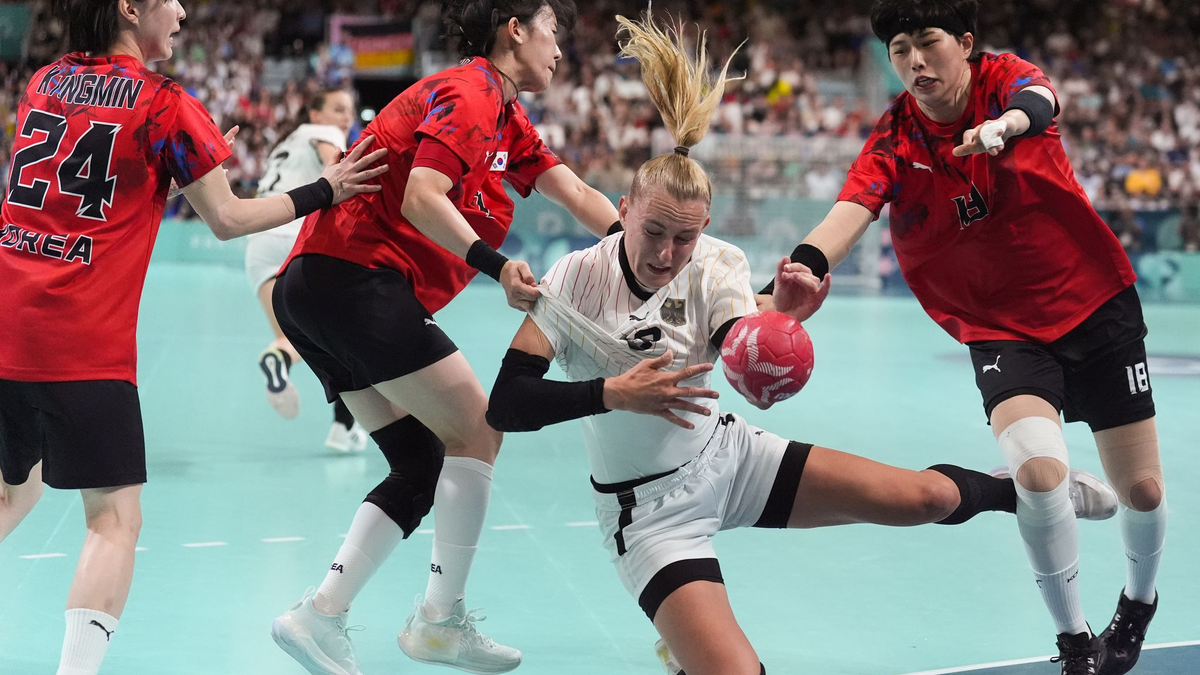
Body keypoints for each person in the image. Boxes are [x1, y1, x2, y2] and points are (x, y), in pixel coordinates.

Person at [483, 11, 1117, 675]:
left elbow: (735, 339)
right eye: (656, 232)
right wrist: (613, 393)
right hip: (648, 512)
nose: (669, 253)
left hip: (729, 457)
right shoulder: (574, 280)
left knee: (923, 500)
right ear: (625, 209)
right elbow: (508, 402)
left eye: (687, 237)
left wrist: (777, 319)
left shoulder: (716, 262)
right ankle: (685, 633)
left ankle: (1033, 490)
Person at [758, 1, 1166, 673]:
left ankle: (1139, 602)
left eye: (927, 44)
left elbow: (1040, 98)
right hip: (1000, 325)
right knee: (1038, 474)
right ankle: (1075, 642)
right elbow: (850, 209)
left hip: (1094, 304)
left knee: (1143, 490)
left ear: (966, 44)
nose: (914, 62)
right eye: (899, 52)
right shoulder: (894, 139)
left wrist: (1003, 127)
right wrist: (796, 277)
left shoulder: (1003, 80)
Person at [0, 2, 387, 675]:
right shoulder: (164, 103)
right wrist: (324, 189)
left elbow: (96, 180)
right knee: (113, 521)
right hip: (80, 340)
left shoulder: (45, 81)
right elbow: (231, 218)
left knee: (13, 491)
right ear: (129, 7)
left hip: (7, 319)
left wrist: (190, 158)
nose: (181, 11)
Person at [268, 0, 620, 673]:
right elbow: (422, 196)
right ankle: (439, 621)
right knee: (479, 429)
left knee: (422, 463)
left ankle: (319, 613)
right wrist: (495, 267)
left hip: (316, 289)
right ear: (515, 29)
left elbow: (571, 188)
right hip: (355, 280)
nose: (560, 47)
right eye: (553, 31)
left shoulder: (505, 114)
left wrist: (637, 251)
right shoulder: (469, 92)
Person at [244, 89, 370, 452]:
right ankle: (344, 428)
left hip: (260, 245)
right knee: (346, 338)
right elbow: (337, 164)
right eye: (337, 109)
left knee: (293, 337)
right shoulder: (326, 135)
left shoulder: (284, 145)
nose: (345, 117)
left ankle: (278, 359)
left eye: (349, 110)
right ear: (315, 114)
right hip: (296, 239)